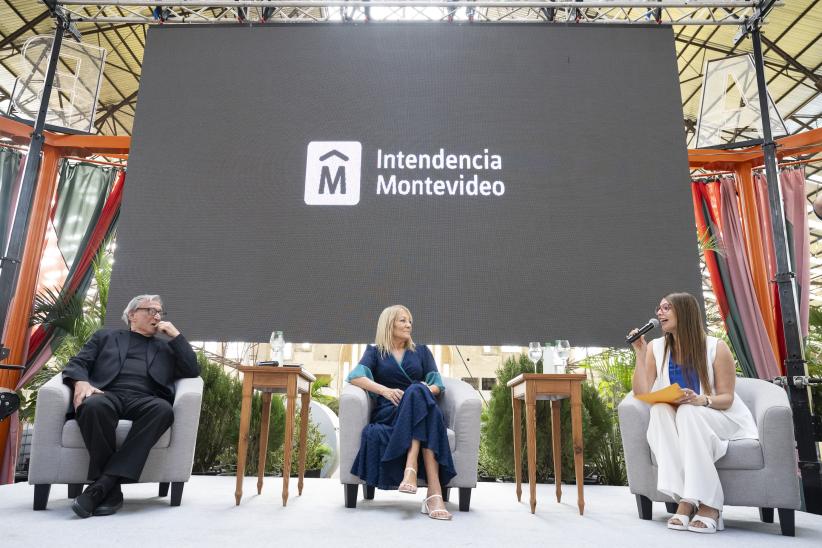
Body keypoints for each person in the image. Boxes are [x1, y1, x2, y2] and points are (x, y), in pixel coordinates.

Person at [629, 292, 758, 534]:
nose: (659, 313)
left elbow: (727, 399)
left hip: (720, 417)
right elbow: (642, 392)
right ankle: (687, 499)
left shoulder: (715, 347)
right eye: (659, 308)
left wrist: (702, 400)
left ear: (685, 312)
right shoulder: (656, 348)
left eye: (667, 308)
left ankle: (709, 505)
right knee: (658, 410)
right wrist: (639, 352)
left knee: (688, 411)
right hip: (684, 418)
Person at [62, 294, 200, 518]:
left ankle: (102, 486)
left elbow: (192, 370)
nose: (157, 316)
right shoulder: (105, 336)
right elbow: (77, 363)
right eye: (151, 310)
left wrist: (176, 336)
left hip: (146, 398)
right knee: (92, 406)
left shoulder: (166, 348)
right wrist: (81, 382)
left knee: (163, 410)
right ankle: (111, 490)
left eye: (159, 312)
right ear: (132, 315)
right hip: (107, 393)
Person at [347, 305, 456, 520]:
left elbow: (437, 386)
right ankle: (434, 495)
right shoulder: (375, 352)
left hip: (420, 406)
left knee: (417, 390)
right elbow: (355, 376)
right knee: (421, 399)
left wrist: (419, 393)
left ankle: (411, 467)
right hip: (391, 412)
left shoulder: (422, 351)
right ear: (389, 324)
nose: (409, 325)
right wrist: (385, 391)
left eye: (410, 322)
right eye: (403, 321)